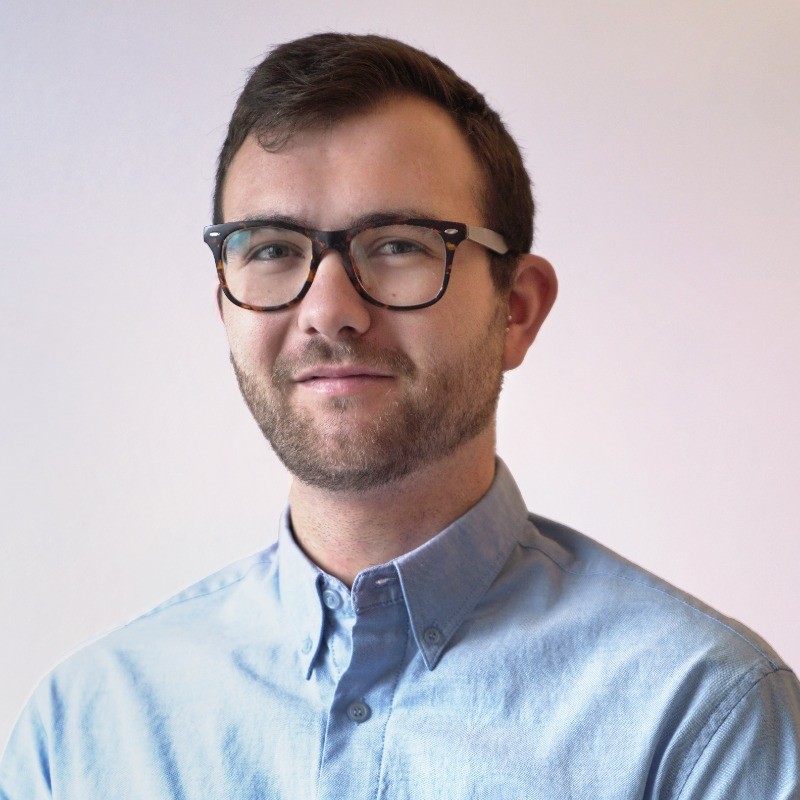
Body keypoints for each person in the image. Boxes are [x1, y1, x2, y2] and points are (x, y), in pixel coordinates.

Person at [1, 31, 798, 799]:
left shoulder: (701, 720)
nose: (329, 312)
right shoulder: (82, 731)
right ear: (225, 308)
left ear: (517, 310)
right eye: (272, 249)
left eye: (399, 245)